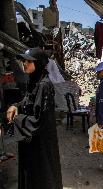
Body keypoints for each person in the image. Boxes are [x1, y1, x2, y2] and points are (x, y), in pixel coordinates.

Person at [6, 48, 63, 189]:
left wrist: (17, 120)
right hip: (32, 141)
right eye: (24, 60)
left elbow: (39, 120)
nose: (24, 63)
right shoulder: (34, 81)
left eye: (28, 61)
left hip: (40, 144)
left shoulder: (44, 86)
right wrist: (15, 106)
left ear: (38, 63)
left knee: (41, 177)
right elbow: (27, 102)